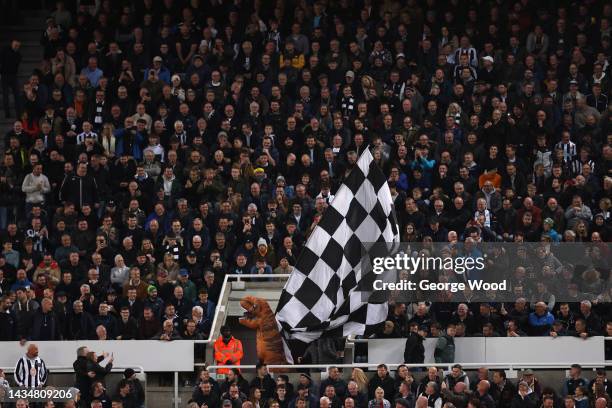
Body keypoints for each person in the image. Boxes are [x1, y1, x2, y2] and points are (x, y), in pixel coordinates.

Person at [0, 40, 21, 118]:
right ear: (12, 44)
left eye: (18, 46)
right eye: (15, 45)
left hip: (13, 75)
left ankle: (19, 113)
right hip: (4, 75)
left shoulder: (18, 55)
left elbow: (15, 66)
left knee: (17, 95)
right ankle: (7, 114)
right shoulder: (5, 50)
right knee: (5, 95)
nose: (16, 47)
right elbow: (2, 61)